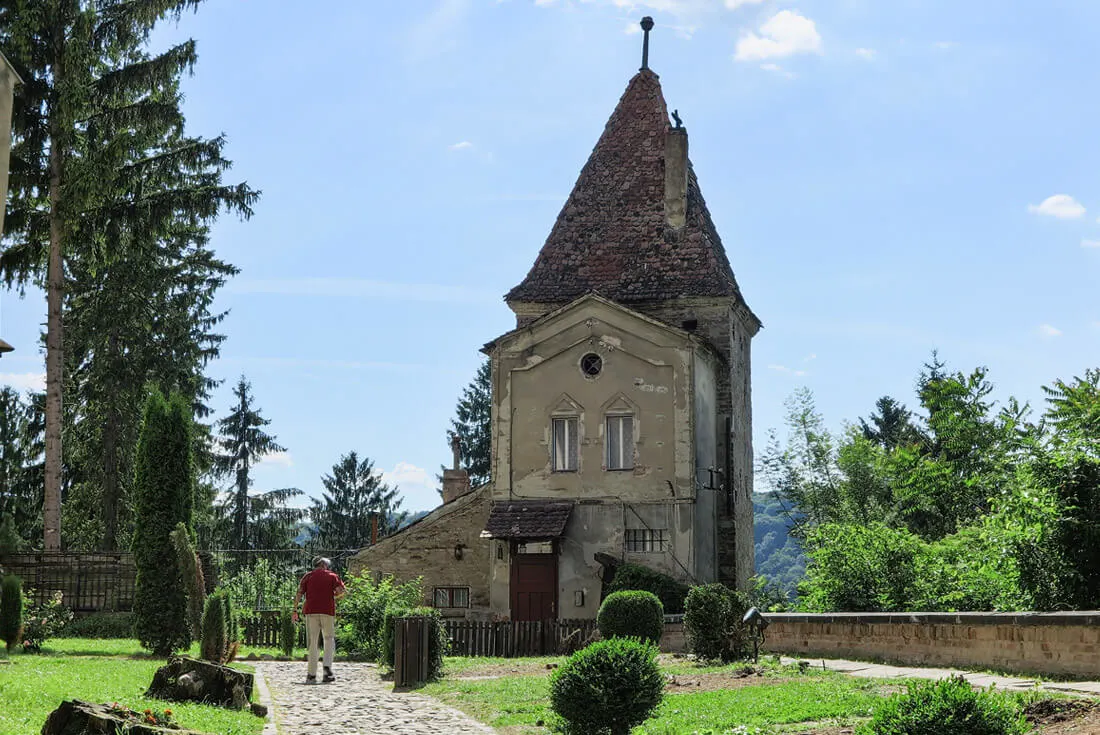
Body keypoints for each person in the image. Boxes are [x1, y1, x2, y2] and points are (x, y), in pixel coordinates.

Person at [292, 556, 346, 683]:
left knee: (313, 642)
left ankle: (311, 674)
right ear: (324, 564)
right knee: (328, 639)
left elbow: (299, 593)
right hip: (327, 611)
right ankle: (327, 669)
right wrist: (333, 597)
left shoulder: (308, 576)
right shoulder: (333, 576)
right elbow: (341, 592)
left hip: (311, 611)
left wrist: (294, 609)